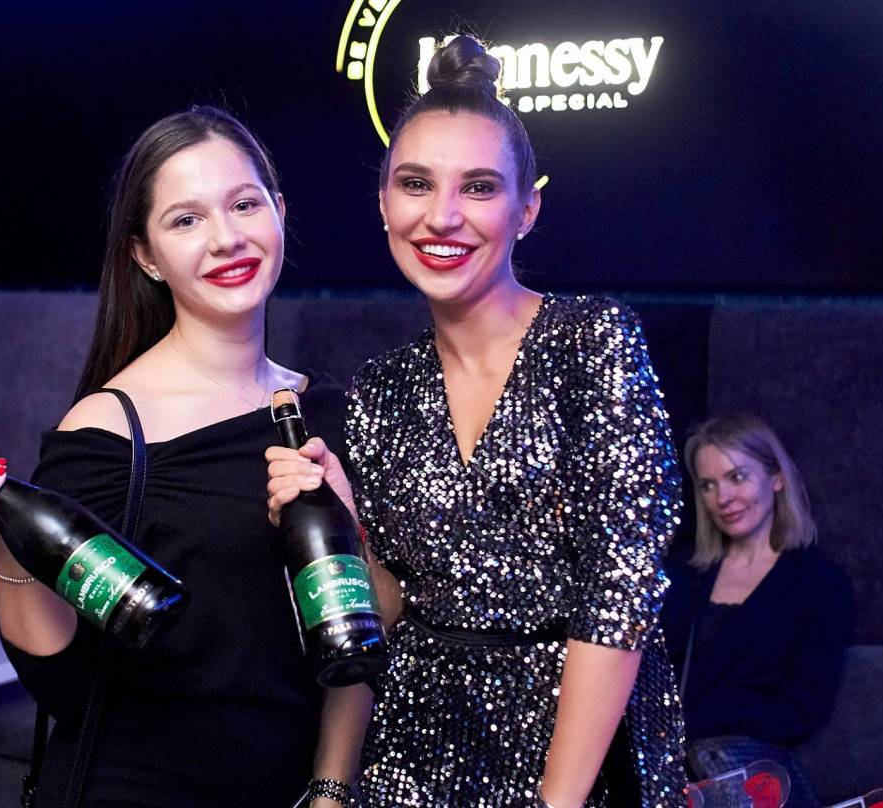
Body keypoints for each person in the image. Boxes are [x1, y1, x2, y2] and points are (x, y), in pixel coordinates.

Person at [267, 35, 687, 807]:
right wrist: (348, 526)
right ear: (384, 205)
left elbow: (619, 597)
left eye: (481, 188)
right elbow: (391, 610)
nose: (443, 216)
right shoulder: (381, 390)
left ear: (527, 210)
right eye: (416, 184)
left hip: (576, 763)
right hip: (414, 757)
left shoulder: (592, 342)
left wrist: (556, 802)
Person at [0, 106, 378, 807]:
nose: (226, 238)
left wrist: (330, 790)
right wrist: (4, 539)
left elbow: (365, 639)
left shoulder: (328, 415)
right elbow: (63, 685)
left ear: (280, 213)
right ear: (145, 255)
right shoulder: (108, 430)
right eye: (186, 220)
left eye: (244, 205)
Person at [660, 414, 853, 808]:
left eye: (737, 477)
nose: (722, 498)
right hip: (668, 770)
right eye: (708, 485)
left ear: (776, 478)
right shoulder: (684, 576)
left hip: (750, 777)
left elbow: (802, 710)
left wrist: (694, 721)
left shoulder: (818, 584)